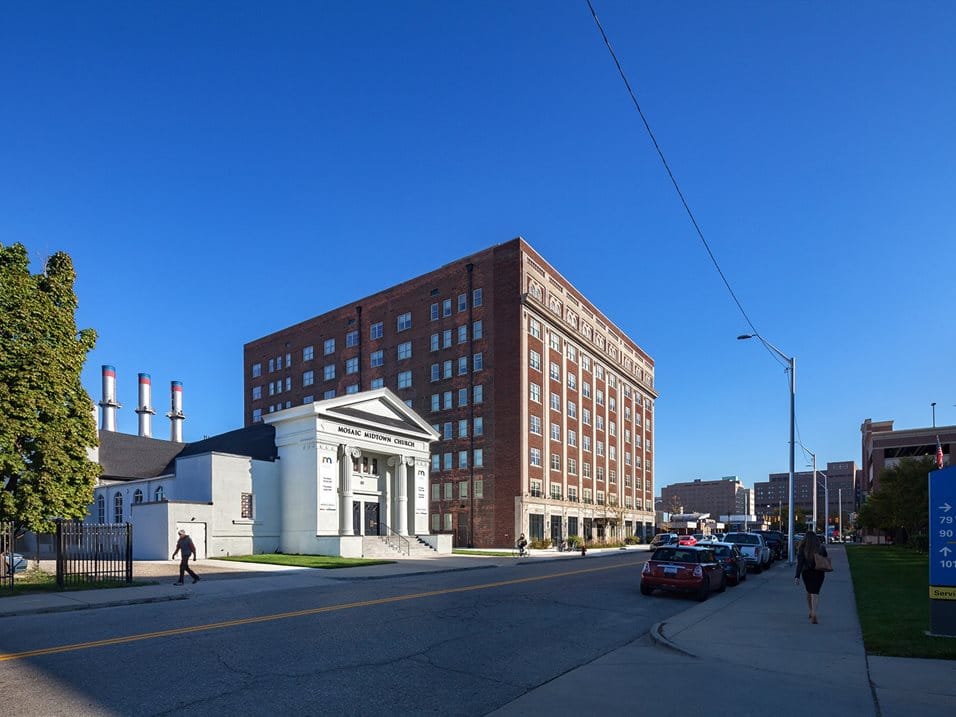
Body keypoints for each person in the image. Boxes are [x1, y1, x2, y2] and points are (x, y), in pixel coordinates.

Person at [794, 529, 827, 623]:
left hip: (806, 572)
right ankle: (814, 612)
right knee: (815, 593)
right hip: (819, 572)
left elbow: (799, 564)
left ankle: (810, 610)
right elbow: (825, 558)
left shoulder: (802, 549)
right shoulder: (821, 548)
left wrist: (797, 576)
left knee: (809, 591)